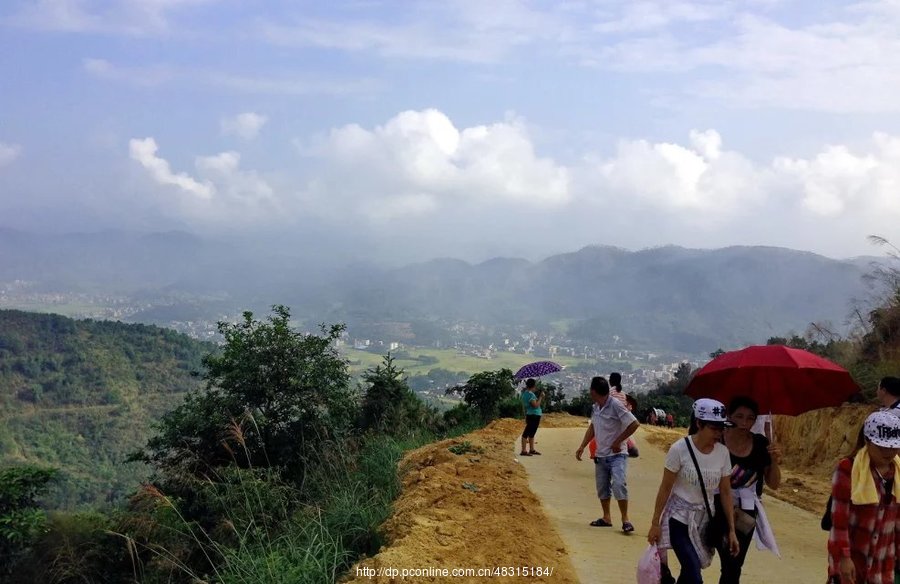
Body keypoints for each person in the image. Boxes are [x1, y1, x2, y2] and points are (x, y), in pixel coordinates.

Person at [648, 398, 740, 584]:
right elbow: (665, 488)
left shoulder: (722, 453)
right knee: (693, 572)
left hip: (703, 520)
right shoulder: (679, 450)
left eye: (721, 428)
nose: (718, 434)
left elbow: (725, 492)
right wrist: (655, 522)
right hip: (679, 518)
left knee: (689, 572)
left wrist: (731, 530)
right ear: (699, 423)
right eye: (714, 428)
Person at [827, 410, 900, 584]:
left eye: (893, 446)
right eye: (881, 447)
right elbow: (839, 520)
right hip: (852, 559)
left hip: (883, 562)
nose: (888, 452)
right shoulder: (848, 469)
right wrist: (844, 558)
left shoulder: (897, 473)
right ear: (867, 441)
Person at [717, 396, 782, 583]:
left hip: (746, 513)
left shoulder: (761, 444)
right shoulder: (718, 440)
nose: (744, 423)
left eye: (750, 418)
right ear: (729, 416)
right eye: (739, 416)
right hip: (716, 506)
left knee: (733, 566)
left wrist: (774, 461)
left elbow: (774, 483)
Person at [575, 376, 640, 533]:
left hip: (617, 455)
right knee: (603, 488)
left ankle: (625, 519)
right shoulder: (596, 407)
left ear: (593, 391)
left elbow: (634, 423)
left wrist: (618, 441)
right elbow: (593, 428)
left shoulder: (615, 405)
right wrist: (583, 445)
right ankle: (606, 517)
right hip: (601, 454)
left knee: (619, 484)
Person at [520, 378, 542, 456]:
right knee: (527, 433)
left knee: (532, 433)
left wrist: (525, 416)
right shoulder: (531, 395)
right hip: (534, 415)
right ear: (533, 386)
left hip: (530, 415)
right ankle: (524, 450)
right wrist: (541, 397)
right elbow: (535, 406)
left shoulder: (525, 393)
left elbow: (524, 406)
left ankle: (531, 449)